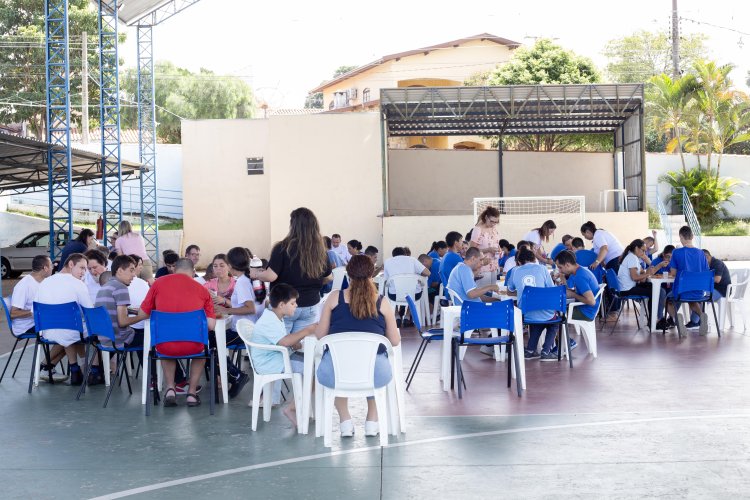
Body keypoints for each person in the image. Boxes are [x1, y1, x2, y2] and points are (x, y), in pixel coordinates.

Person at [315, 255, 400, 437]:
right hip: (375, 373)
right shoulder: (381, 302)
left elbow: (321, 336)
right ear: (372, 274)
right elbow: (394, 341)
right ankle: (371, 421)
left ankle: (345, 421)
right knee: (372, 363)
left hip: (335, 372)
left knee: (336, 364)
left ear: (348, 274)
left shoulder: (333, 298)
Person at [139, 258, 216, 407]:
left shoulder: (158, 284)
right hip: (193, 346)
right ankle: (192, 393)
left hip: (164, 346)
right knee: (201, 350)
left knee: (166, 344)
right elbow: (211, 325)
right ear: (193, 272)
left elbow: (143, 312)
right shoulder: (202, 290)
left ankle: (170, 388)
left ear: (174, 269)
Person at [250, 208, 332, 334]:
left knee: (279, 345)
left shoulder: (283, 247)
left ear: (293, 225)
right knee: (299, 347)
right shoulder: (320, 250)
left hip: (284, 304)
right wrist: (314, 284)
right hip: (310, 304)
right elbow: (329, 277)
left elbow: (271, 276)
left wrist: (256, 273)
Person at [250, 283, 317, 426]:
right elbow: (284, 342)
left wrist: (295, 342)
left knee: (315, 365)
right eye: (293, 303)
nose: (296, 306)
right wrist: (307, 331)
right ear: (281, 305)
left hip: (277, 357)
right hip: (271, 363)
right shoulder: (269, 320)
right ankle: (292, 408)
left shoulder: (274, 316)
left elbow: (283, 340)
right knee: (315, 371)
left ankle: (300, 408)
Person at [36, 253, 93, 385]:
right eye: (82, 268)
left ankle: (71, 368)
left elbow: (36, 310)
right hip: (72, 331)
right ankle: (89, 367)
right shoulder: (78, 284)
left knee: (67, 330)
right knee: (84, 328)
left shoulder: (45, 282)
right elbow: (89, 310)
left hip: (46, 331)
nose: (84, 272)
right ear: (71, 264)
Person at [89, 255, 146, 385]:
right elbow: (123, 322)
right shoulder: (121, 288)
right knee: (150, 339)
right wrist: (143, 316)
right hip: (118, 340)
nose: (134, 275)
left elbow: (111, 311)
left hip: (104, 338)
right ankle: (153, 379)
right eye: (131, 270)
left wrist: (131, 311)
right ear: (120, 270)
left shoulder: (105, 287)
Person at [215, 247, 262, 399]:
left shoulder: (242, 282)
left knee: (210, 346)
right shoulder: (253, 277)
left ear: (231, 264)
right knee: (212, 340)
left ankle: (236, 375)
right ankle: (234, 375)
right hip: (254, 327)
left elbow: (250, 308)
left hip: (244, 331)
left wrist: (225, 311)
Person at [9, 255, 61, 376]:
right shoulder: (24, 285)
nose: (54, 267)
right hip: (26, 326)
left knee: (71, 332)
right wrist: (32, 313)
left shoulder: (44, 282)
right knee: (67, 333)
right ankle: (47, 366)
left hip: (39, 321)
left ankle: (47, 365)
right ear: (45, 268)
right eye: (51, 265)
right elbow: (13, 313)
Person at [506, 248, 559, 361]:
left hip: (525, 313)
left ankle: (530, 350)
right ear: (534, 259)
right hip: (545, 311)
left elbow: (510, 290)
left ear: (519, 262)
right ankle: (546, 351)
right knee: (554, 323)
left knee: (536, 320)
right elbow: (551, 290)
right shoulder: (543, 268)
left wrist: (523, 291)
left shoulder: (515, 271)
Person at [616, 239, 669, 329]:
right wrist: (648, 273)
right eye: (643, 250)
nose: (644, 253)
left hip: (629, 287)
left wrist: (657, 266)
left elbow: (644, 275)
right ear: (636, 248)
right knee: (655, 292)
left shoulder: (633, 257)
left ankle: (655, 320)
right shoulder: (632, 258)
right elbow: (635, 277)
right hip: (627, 290)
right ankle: (653, 322)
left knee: (657, 290)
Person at [667, 226, 710, 336]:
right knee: (692, 300)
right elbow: (706, 272)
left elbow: (673, 273)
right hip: (699, 291)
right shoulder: (701, 253)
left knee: (666, 300)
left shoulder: (676, 252)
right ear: (692, 236)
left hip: (681, 291)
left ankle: (678, 320)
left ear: (681, 237)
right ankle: (701, 315)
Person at [383, 247, 430, 326]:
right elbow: (428, 273)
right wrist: (416, 275)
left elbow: (386, 280)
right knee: (412, 291)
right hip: (414, 296)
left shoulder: (387, 262)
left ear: (393, 255)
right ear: (405, 254)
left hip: (394, 296)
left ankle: (397, 316)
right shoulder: (412, 260)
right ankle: (407, 316)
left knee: (388, 293)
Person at [554, 250, 601, 323]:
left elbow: (591, 301)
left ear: (567, 265)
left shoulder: (580, 277)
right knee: (556, 309)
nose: (560, 270)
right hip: (585, 308)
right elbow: (570, 287)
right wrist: (562, 277)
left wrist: (573, 295)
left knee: (552, 314)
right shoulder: (578, 270)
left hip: (586, 312)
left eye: (560, 267)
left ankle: (558, 334)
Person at [469, 206, 501, 287]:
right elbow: (472, 250)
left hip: (494, 265)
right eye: (491, 221)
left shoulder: (494, 228)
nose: (493, 224)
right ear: (486, 217)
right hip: (482, 267)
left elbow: (495, 243)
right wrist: (488, 249)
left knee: (494, 292)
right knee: (484, 293)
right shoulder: (478, 229)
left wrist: (498, 249)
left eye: (496, 222)